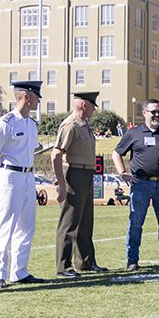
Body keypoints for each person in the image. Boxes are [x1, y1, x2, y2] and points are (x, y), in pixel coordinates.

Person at [113, 99, 159, 271]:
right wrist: (123, 173)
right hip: (140, 184)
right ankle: (132, 259)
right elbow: (117, 153)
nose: (157, 115)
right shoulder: (134, 133)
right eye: (153, 111)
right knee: (136, 223)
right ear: (144, 112)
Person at [0, 81, 44, 289]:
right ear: (26, 97)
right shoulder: (5, 123)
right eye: (36, 97)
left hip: (28, 176)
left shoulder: (31, 124)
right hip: (9, 176)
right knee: (4, 226)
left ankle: (19, 271)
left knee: (26, 226)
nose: (38, 101)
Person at [52, 91, 108, 278]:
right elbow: (57, 153)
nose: (94, 110)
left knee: (85, 221)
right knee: (69, 222)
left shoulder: (84, 125)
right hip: (74, 173)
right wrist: (61, 182)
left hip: (85, 173)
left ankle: (85, 261)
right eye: (92, 106)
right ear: (84, 105)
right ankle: (63, 266)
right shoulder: (71, 125)